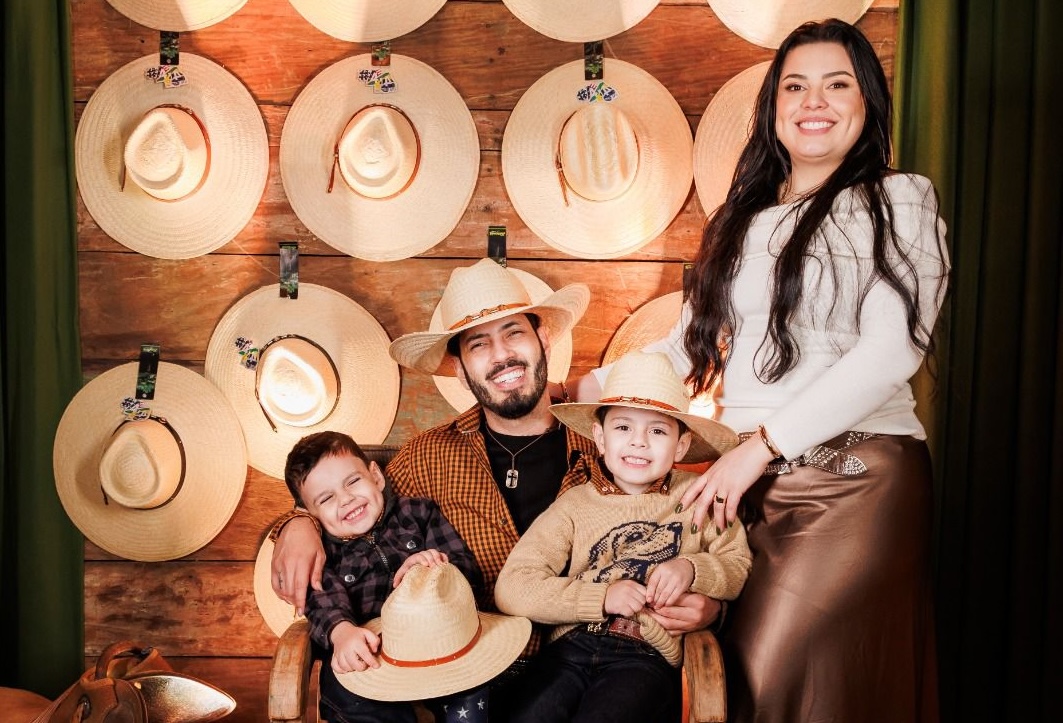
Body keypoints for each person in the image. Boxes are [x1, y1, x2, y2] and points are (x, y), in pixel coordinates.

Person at [571, 18, 948, 723]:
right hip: (742, 491)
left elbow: (892, 349)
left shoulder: (899, 198)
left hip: (853, 479)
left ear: (867, 101)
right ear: (773, 106)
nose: (814, 101)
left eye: (837, 85)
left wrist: (759, 449)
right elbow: (686, 349)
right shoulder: (740, 221)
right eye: (795, 86)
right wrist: (577, 392)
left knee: (772, 686)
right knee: (731, 681)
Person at [269, 260, 727, 717]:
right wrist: (297, 523)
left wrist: (711, 609)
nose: (501, 355)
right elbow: (353, 515)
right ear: (460, 367)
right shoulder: (427, 457)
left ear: (543, 338)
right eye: (478, 344)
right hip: (464, 676)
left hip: (596, 665)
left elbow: (695, 537)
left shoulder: (614, 447)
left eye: (514, 333)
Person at [494, 351, 752, 723]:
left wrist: (692, 568)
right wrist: (601, 597)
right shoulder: (574, 505)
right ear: (600, 438)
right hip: (567, 650)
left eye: (658, 431)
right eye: (623, 428)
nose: (639, 442)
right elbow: (513, 587)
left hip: (644, 655)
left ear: (681, 445)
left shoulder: (701, 495)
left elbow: (738, 563)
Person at [282, 430, 486, 723]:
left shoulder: (418, 513)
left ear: (376, 477)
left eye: (353, 481)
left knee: (471, 687)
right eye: (326, 498)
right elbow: (321, 597)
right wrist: (341, 632)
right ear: (310, 515)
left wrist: (435, 566)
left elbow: (466, 569)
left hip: (435, 641)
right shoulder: (324, 551)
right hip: (369, 652)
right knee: (348, 687)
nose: (347, 499)